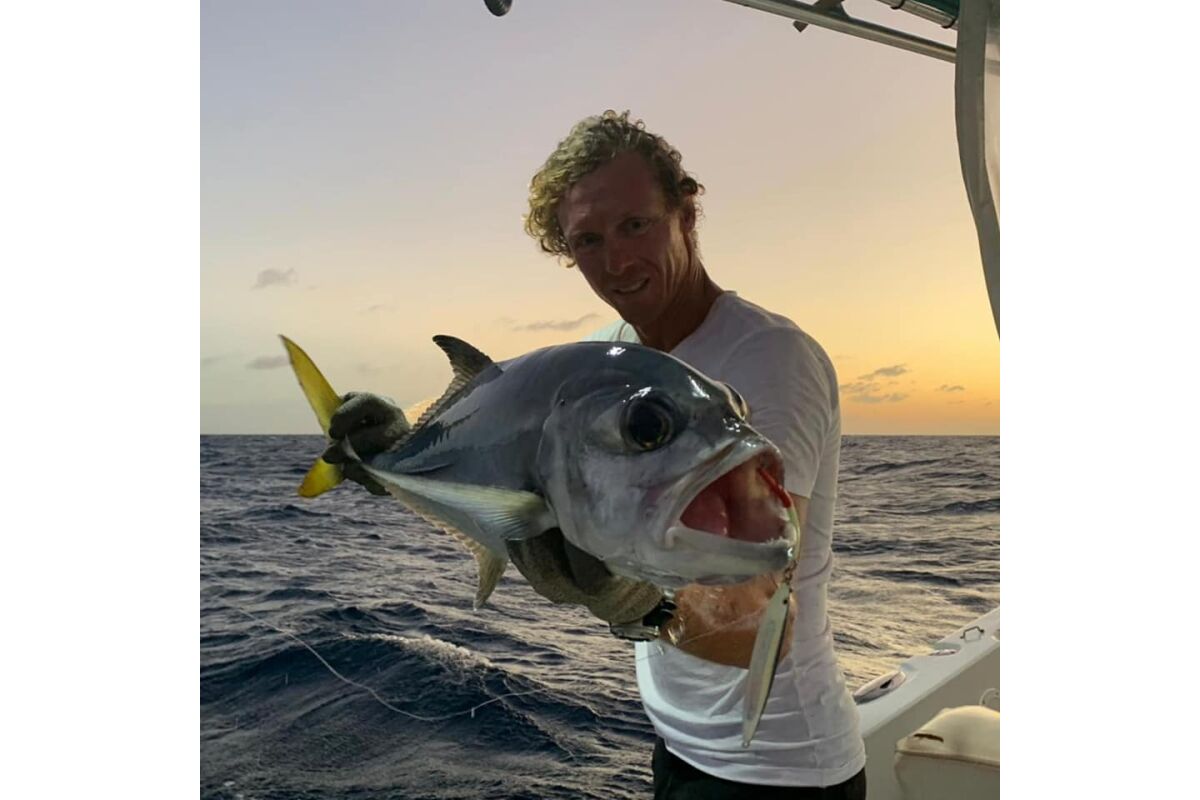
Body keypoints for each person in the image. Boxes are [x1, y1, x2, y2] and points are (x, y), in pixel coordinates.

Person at [326, 110, 865, 798]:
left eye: (635, 225)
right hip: (680, 747)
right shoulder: (610, 355)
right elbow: (499, 454)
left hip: (781, 770)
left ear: (686, 214)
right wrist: (398, 453)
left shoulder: (768, 359)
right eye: (588, 240)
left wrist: (633, 602)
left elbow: (757, 624)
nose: (617, 261)